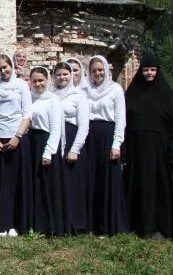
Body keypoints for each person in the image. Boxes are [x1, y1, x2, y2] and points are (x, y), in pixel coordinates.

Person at [123, 52, 173, 241]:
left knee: (159, 188)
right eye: (146, 69)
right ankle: (137, 224)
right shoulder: (133, 93)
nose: (149, 73)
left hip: (160, 152)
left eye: (152, 69)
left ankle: (159, 226)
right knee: (138, 185)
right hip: (136, 149)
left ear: (158, 71)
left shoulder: (166, 95)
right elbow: (125, 121)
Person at [0, 54, 32, 236]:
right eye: (0, 68)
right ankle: (1, 223)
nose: (3, 71)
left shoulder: (21, 86)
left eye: (6, 67)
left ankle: (15, 223)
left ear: (11, 66)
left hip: (16, 140)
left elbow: (27, 114)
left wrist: (17, 136)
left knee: (15, 183)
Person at [85, 55, 128, 236]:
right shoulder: (85, 90)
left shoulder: (115, 89)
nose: (97, 73)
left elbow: (120, 119)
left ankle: (109, 224)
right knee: (91, 179)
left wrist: (116, 143)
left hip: (107, 135)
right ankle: (92, 223)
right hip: (89, 136)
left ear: (107, 70)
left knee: (108, 180)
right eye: (94, 70)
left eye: (100, 70)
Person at [26, 66, 65, 235]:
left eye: (41, 80)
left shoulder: (53, 100)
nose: (37, 84)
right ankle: (34, 222)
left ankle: (48, 225)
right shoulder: (29, 98)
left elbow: (56, 128)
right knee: (33, 183)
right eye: (34, 81)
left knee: (46, 184)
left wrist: (48, 151)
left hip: (45, 142)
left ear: (47, 80)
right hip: (31, 141)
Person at [53, 61, 89, 234]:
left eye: (65, 74)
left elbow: (84, 125)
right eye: (59, 74)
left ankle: (75, 223)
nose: (62, 77)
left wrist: (75, 149)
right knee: (59, 182)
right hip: (56, 138)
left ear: (72, 75)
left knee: (72, 182)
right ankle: (60, 221)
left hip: (72, 138)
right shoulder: (51, 95)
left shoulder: (78, 96)